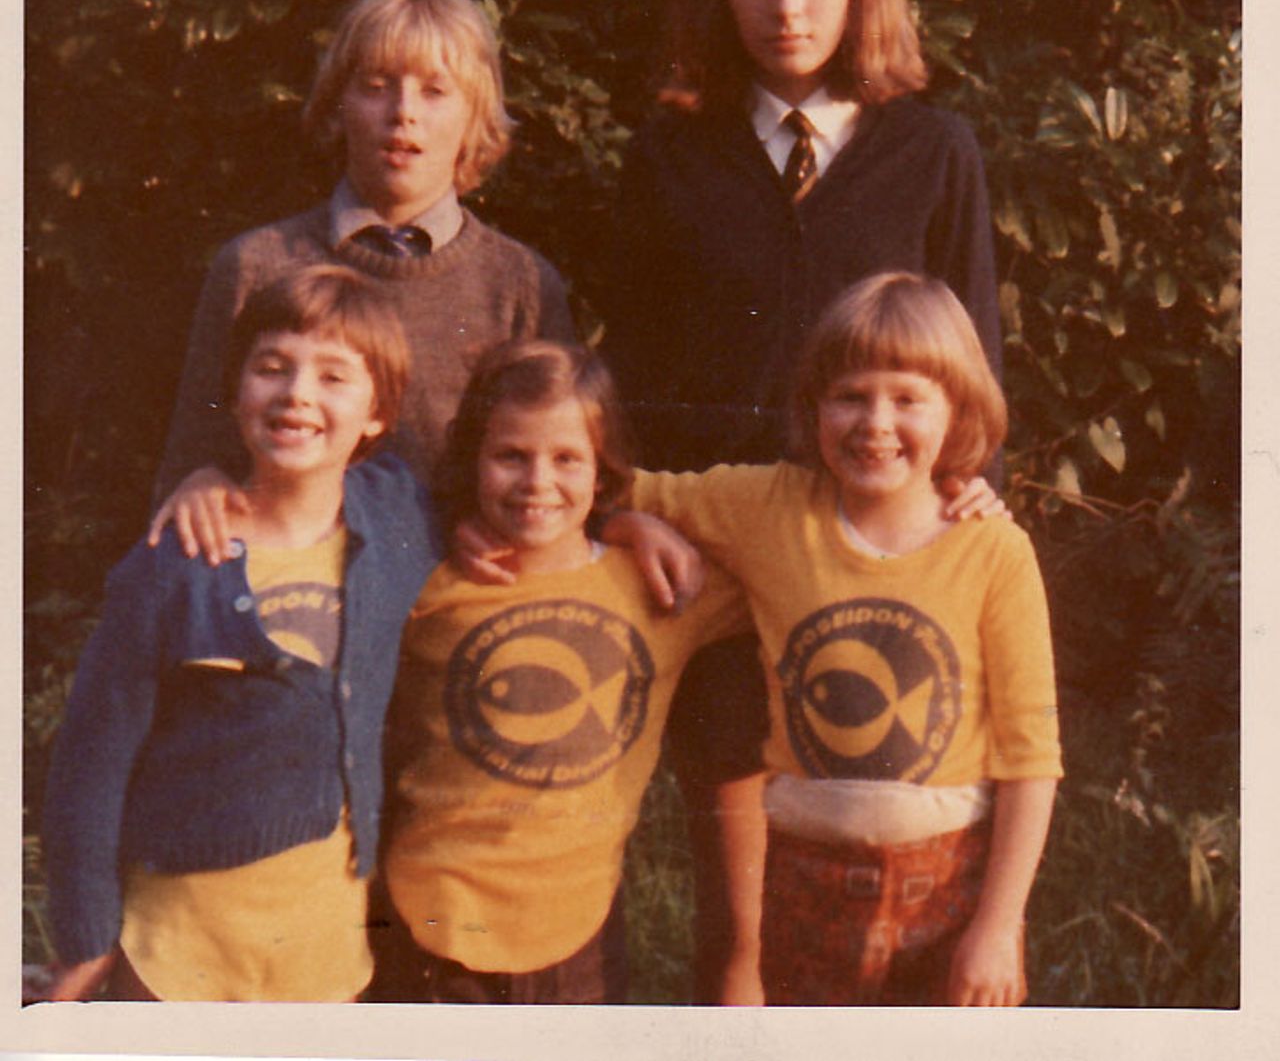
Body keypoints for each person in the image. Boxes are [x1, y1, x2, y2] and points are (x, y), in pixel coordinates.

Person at [603, 0, 1004, 1002]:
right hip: (715, 548)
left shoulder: (934, 151)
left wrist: (968, 478)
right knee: (738, 914)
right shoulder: (669, 153)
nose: (786, 8)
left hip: (874, 548)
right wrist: (632, 514)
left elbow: (967, 357)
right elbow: (624, 367)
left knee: (875, 849)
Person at [627, 273, 1061, 1007]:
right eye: (850, 396)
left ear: (957, 413)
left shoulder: (994, 552)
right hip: (802, 885)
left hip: (952, 894)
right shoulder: (768, 507)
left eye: (907, 399)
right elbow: (604, 485)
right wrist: (628, 523)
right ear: (814, 407)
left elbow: (1031, 759)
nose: (876, 423)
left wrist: (997, 926)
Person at [41, 266, 443, 1002]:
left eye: (333, 377)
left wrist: (637, 521)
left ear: (380, 412)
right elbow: (87, 771)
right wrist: (85, 941)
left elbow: (526, 507)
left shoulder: (401, 521)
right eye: (272, 368)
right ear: (236, 390)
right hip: (175, 961)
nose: (297, 394)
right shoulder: (173, 567)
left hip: (328, 965)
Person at [371, 340, 749, 1006]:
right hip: (431, 925)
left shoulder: (656, 585)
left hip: (579, 938)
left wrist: (634, 522)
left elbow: (798, 553)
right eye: (511, 455)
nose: (538, 482)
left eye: (567, 458)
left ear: (603, 471)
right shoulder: (430, 578)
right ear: (474, 460)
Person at [154, 0, 575, 512]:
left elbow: (563, 472)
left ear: (474, 117)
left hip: (465, 585)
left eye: (435, 91)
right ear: (338, 105)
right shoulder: (256, 266)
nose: (403, 112)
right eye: (376, 86)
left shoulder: (522, 285)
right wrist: (200, 484)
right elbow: (191, 463)